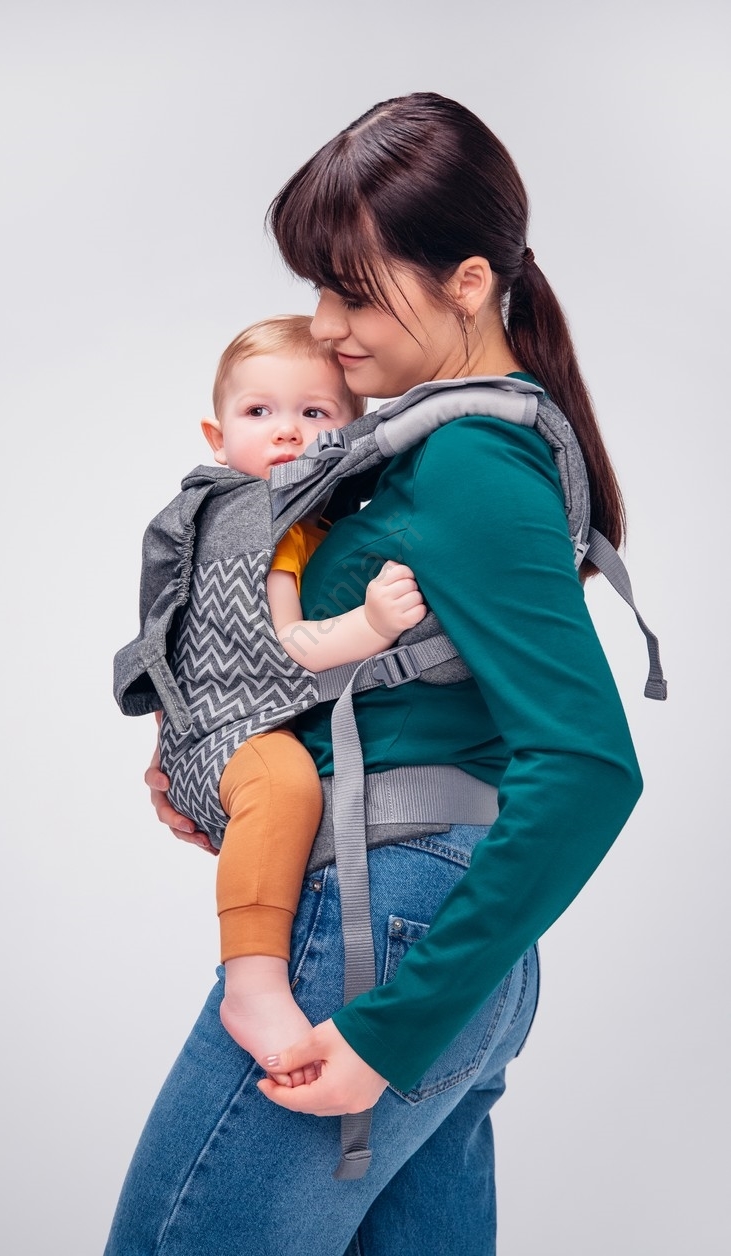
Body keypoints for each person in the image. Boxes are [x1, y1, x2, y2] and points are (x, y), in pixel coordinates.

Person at [105, 93, 644, 1255]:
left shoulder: (467, 464)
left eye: (353, 291)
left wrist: (393, 1023)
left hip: (382, 937)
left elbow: (589, 766)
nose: (326, 324)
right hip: (431, 932)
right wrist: (219, 758)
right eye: (320, 288)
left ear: (466, 282)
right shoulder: (447, 445)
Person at [121, 314, 426, 1072]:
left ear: (347, 432)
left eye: (314, 412)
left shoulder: (290, 517)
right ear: (216, 435)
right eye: (259, 411)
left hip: (210, 738)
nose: (287, 431)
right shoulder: (265, 521)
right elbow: (291, 644)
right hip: (227, 740)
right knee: (284, 781)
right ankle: (252, 981)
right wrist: (372, 623)